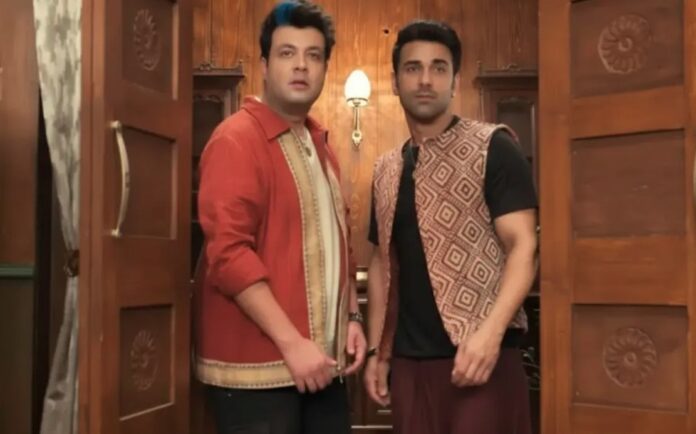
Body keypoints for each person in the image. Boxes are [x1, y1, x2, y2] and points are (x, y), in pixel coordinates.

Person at [194, 2, 366, 433]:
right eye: (287, 53)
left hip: (322, 365)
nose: (301, 65)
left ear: (325, 68)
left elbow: (341, 248)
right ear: (265, 65)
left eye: (313, 55)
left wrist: (352, 318)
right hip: (258, 374)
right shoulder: (236, 139)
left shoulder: (320, 144)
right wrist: (292, 344)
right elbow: (229, 256)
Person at [363, 19, 538, 434]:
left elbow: (524, 248)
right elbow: (381, 264)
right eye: (413, 68)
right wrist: (376, 353)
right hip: (408, 366)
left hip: (481, 362)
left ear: (455, 81)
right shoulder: (385, 169)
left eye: (438, 68)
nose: (426, 79)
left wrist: (489, 336)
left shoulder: (494, 147)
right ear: (395, 82)